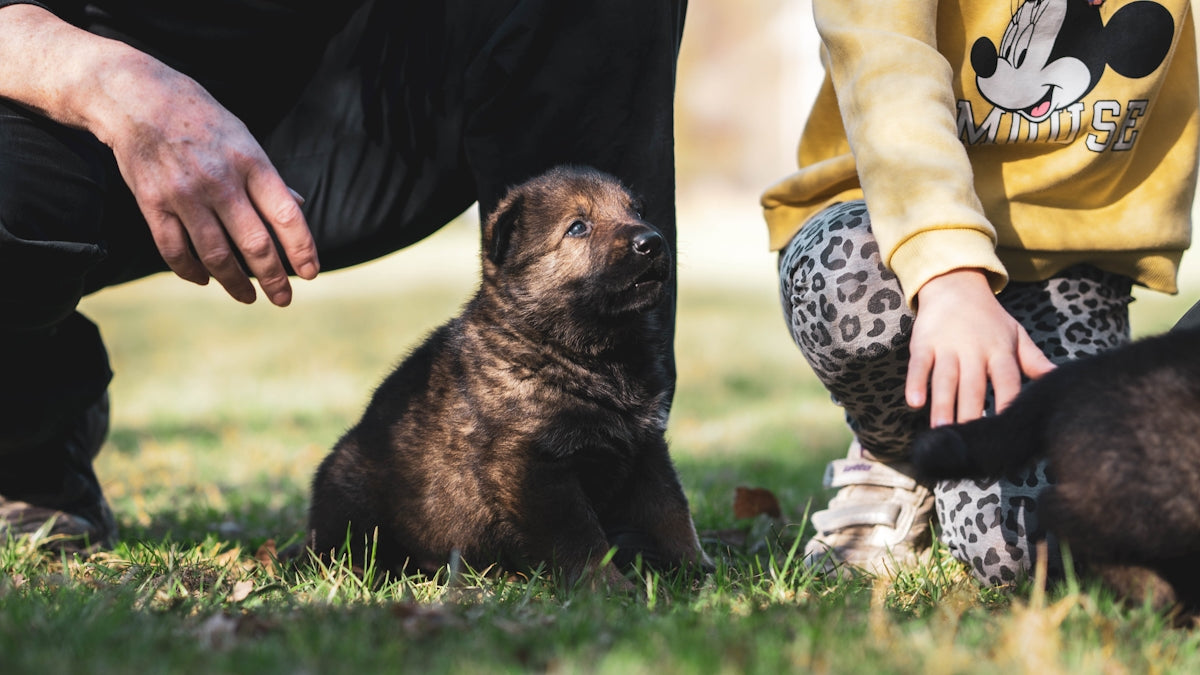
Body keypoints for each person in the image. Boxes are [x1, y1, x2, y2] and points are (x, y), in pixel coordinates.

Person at [0, 1, 687, 551]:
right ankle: (29, 433)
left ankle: (592, 468)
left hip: (356, 77)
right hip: (75, 92)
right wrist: (116, 87)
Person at [763, 0, 1197, 583]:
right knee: (846, 277)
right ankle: (894, 453)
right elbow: (886, 66)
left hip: (1072, 265)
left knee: (1031, 551)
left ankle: (952, 465)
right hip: (887, 224)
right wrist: (946, 274)